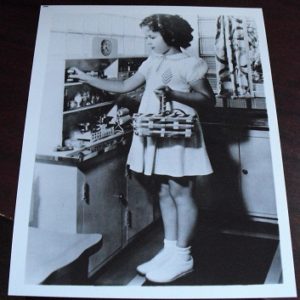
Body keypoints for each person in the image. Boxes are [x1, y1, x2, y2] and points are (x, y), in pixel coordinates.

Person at [69, 13, 215, 283]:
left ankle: (184, 256)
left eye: (152, 36)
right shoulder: (153, 62)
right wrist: (87, 79)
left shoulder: (191, 64)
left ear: (169, 36)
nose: (147, 41)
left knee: (182, 192)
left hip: (179, 136)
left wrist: (173, 94)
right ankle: (170, 250)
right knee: (163, 191)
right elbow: (124, 86)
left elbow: (207, 100)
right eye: (146, 36)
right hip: (156, 134)